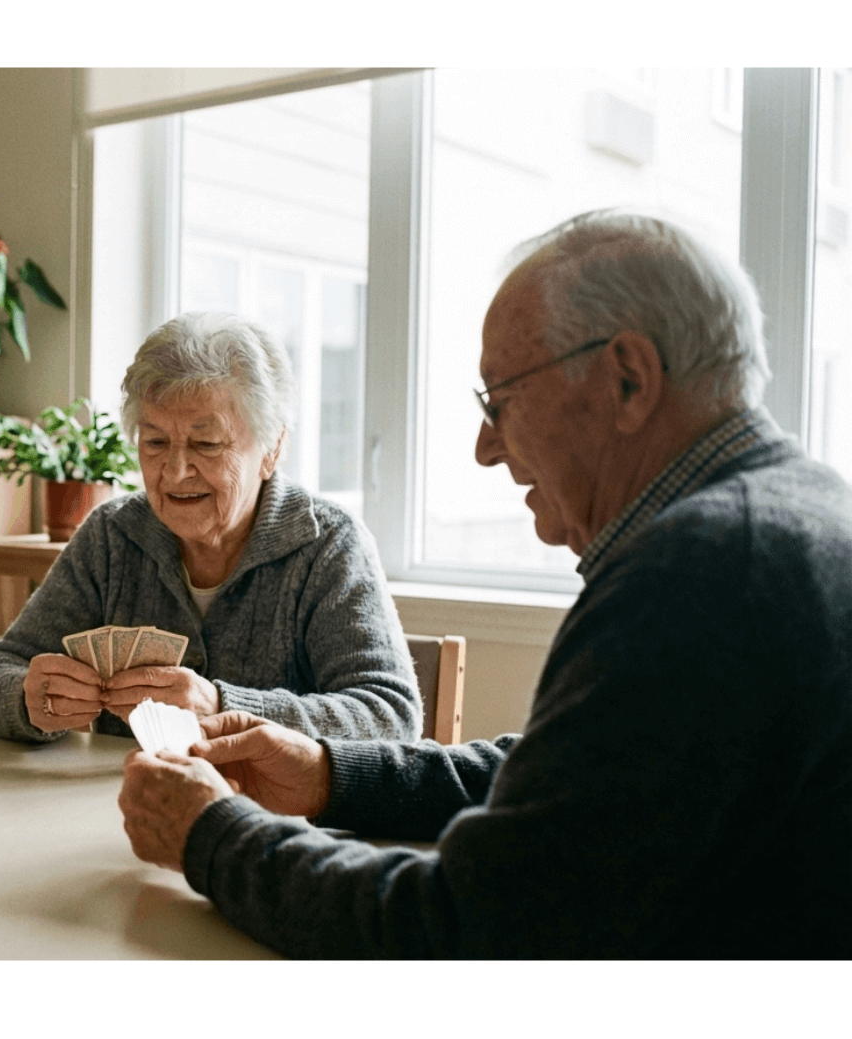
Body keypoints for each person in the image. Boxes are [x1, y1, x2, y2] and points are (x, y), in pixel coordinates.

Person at [118, 210, 852, 958]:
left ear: (628, 379)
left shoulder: (704, 572)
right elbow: (567, 778)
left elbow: (467, 925)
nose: (483, 447)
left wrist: (212, 834)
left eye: (499, 401)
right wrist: (332, 774)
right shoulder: (792, 517)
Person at [0, 311, 420, 745]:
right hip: (130, 810)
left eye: (206, 443)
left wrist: (221, 706)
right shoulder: (112, 536)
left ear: (273, 448)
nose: (176, 471)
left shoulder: (327, 544)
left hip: (277, 821)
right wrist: (27, 698)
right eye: (155, 442)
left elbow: (390, 717)